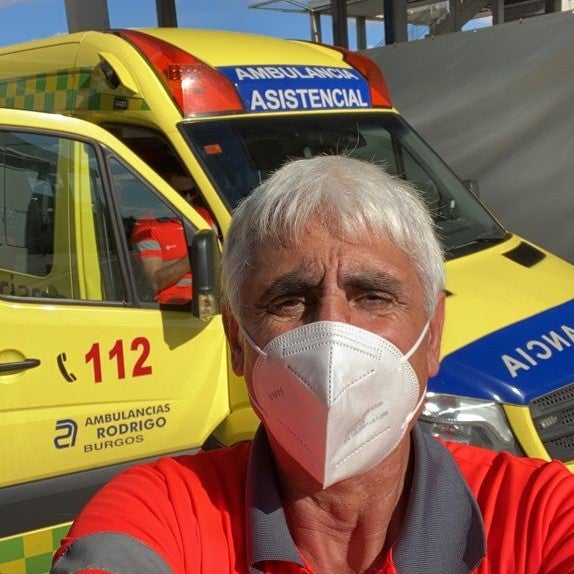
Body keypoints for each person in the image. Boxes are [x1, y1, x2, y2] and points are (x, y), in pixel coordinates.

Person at [51, 155, 574, 573]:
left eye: (372, 295)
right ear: (237, 341)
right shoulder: (161, 511)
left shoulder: (542, 515)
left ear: (432, 332)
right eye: (289, 299)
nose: (332, 333)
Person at [131, 171, 217, 304]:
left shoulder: (202, 215)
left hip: (212, 300)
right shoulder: (147, 226)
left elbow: (222, 255)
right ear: (165, 193)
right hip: (175, 307)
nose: (189, 198)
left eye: (192, 192)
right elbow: (155, 282)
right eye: (182, 194)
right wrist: (197, 255)